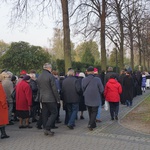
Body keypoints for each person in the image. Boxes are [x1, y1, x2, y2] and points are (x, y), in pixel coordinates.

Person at [37, 63, 60, 136]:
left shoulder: (39, 76)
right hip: (50, 98)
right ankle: (47, 127)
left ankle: (46, 128)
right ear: (49, 68)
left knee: (44, 113)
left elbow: (39, 88)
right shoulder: (50, 76)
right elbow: (54, 89)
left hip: (42, 98)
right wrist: (58, 99)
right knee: (54, 113)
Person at [82, 66, 104, 131]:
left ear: (87, 72)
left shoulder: (84, 79)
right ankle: (90, 124)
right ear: (93, 72)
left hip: (87, 97)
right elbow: (102, 89)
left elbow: (82, 88)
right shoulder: (97, 79)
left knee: (90, 111)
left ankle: (93, 124)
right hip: (95, 97)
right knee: (94, 111)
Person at [0, 74, 10, 139]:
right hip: (1, 106)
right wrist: (4, 105)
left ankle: (3, 133)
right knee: (2, 121)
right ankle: (3, 134)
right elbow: (2, 97)